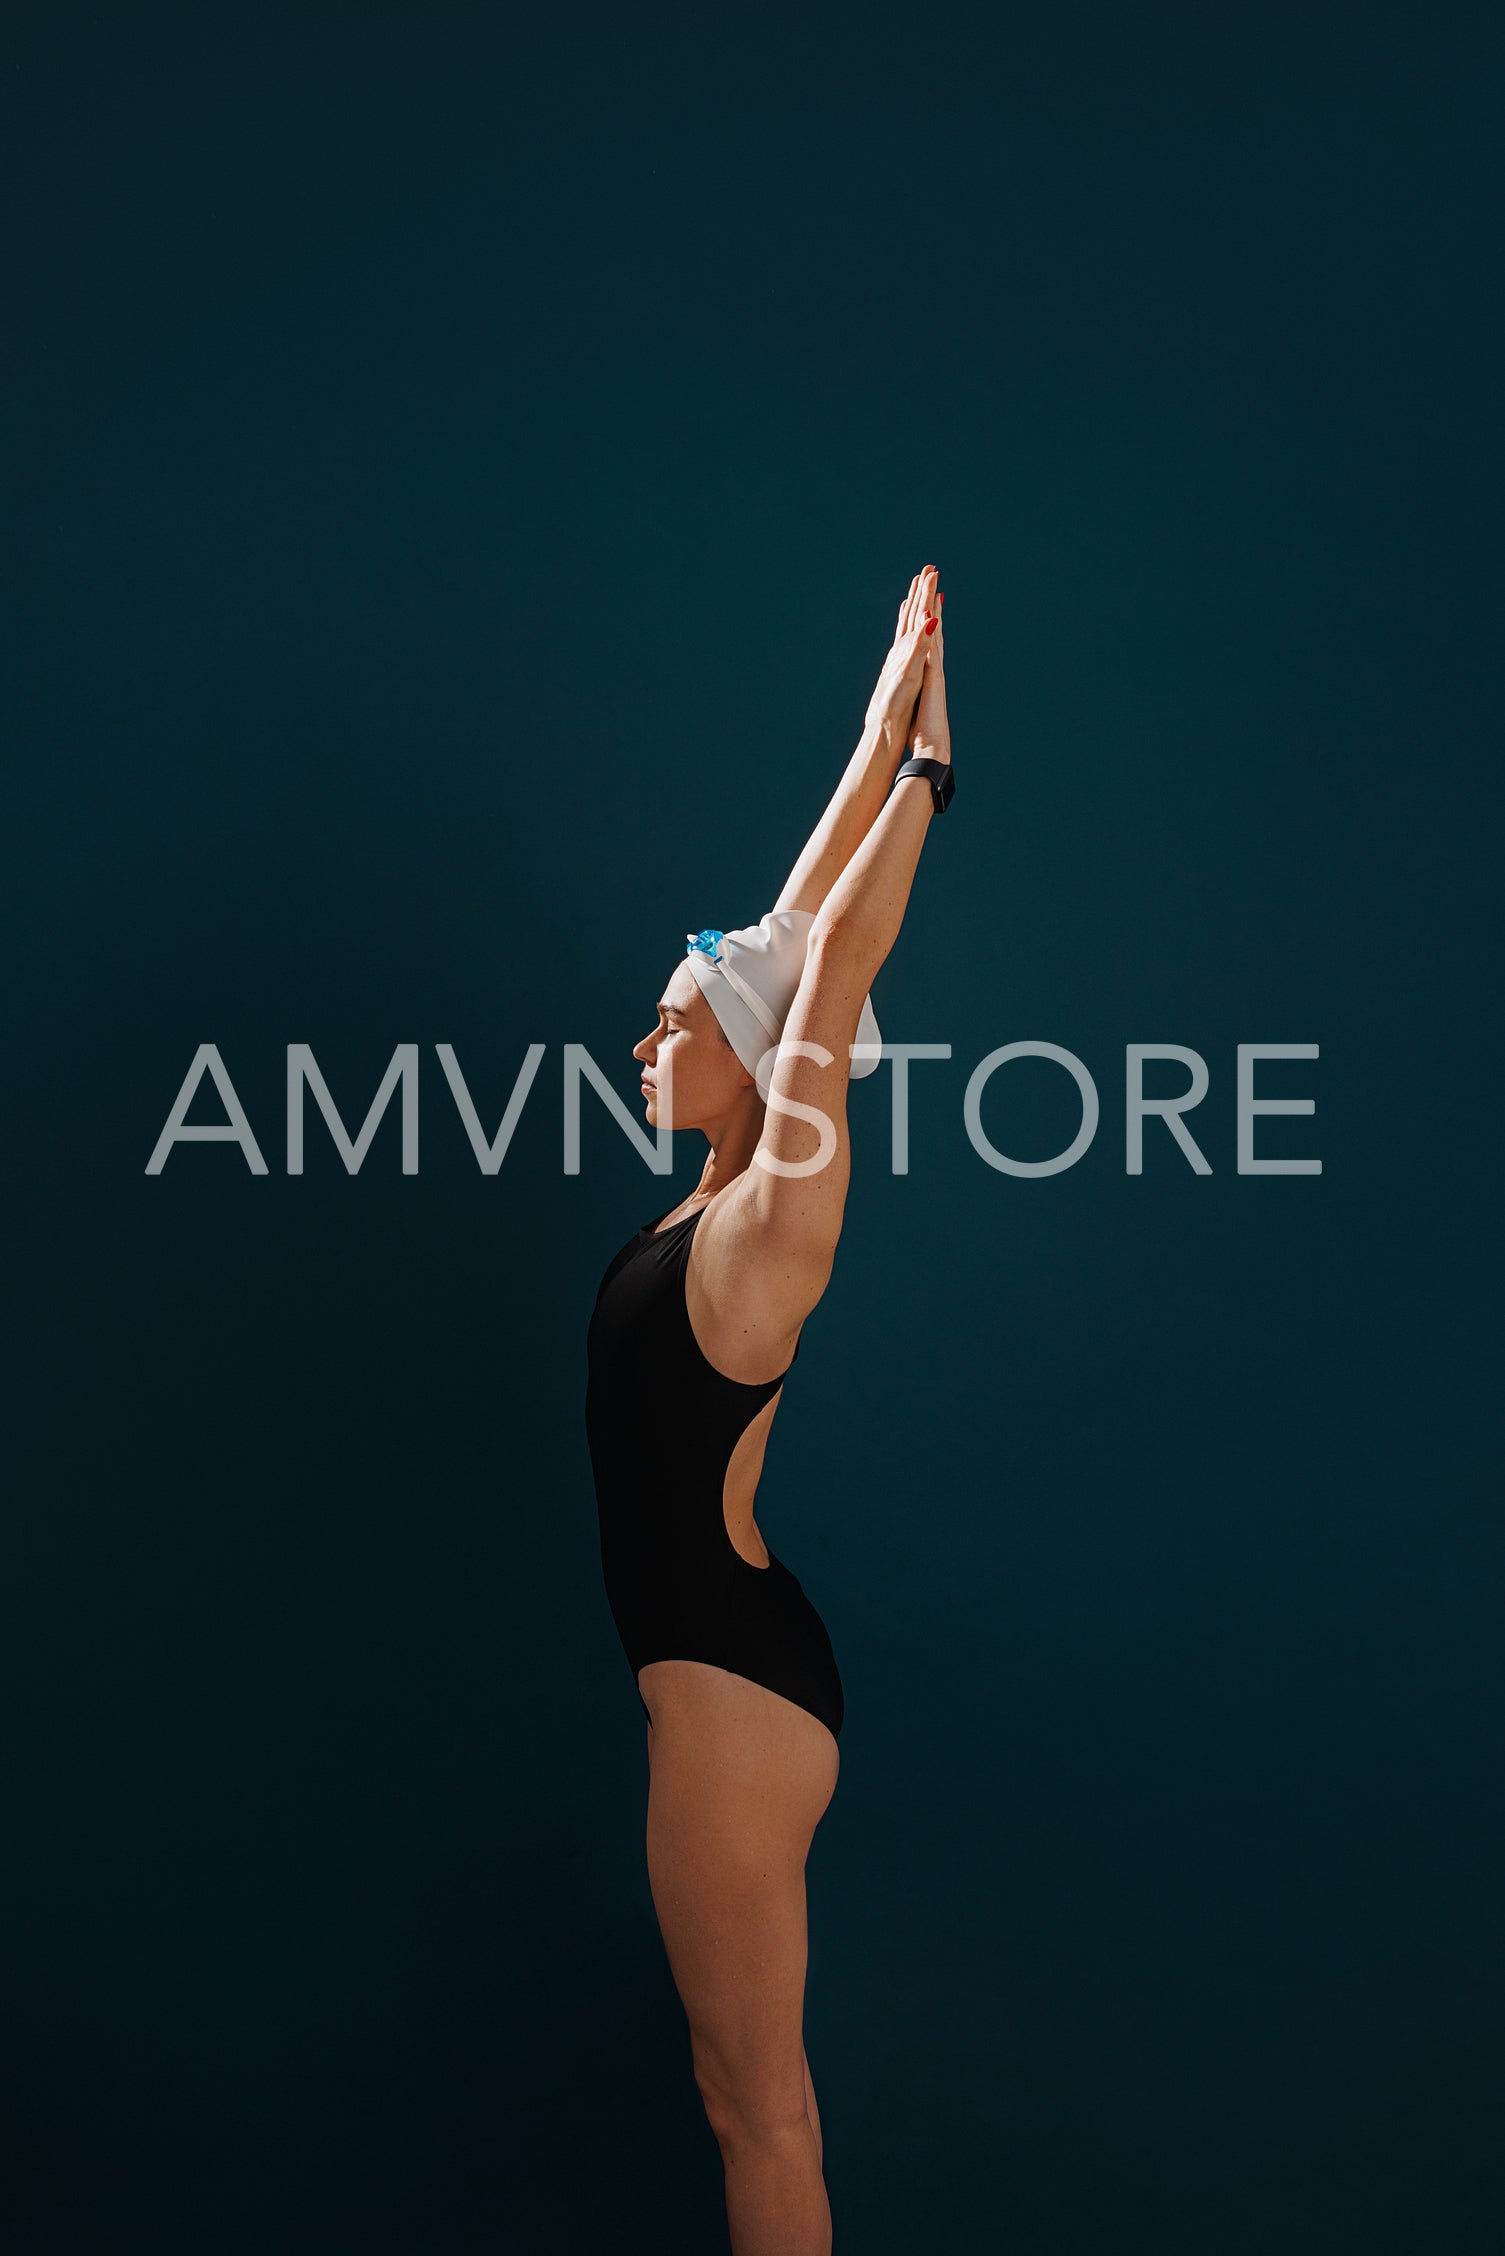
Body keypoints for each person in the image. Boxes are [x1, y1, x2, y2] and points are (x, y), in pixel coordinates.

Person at [585, 564, 954, 2255]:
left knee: (757, 2104)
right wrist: (881, 718)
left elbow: (827, 974)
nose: (644, 1041)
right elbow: (790, 939)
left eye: (671, 1028)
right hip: (736, 1659)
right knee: (738, 2093)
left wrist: (930, 789)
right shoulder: (712, 1185)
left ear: (753, 1063)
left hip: (732, 1697)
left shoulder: (766, 1216)